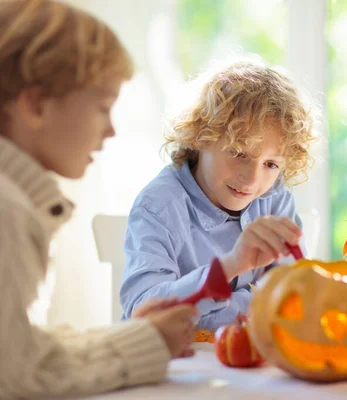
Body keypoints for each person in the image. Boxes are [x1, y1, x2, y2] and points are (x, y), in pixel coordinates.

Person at [0, 1, 196, 397]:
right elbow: (13, 375)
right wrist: (147, 345)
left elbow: (22, 347)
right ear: (35, 105)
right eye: (103, 107)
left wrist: (133, 337)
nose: (110, 131)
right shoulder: (8, 212)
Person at [120, 59, 317, 330]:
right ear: (201, 136)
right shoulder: (159, 207)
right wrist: (231, 267)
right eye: (239, 153)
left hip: (250, 364)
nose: (251, 179)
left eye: (271, 164)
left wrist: (207, 307)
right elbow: (142, 312)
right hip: (175, 363)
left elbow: (294, 296)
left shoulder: (274, 197)